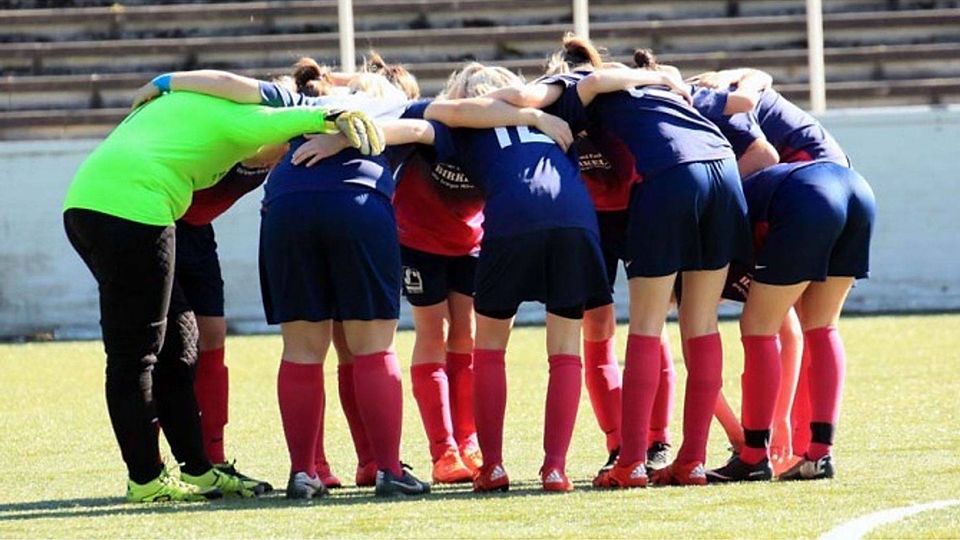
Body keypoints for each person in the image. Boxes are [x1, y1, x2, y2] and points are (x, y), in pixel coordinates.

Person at [173, 60, 573, 497]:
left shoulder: (308, 102)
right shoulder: (405, 108)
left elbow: (232, 83)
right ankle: (387, 468)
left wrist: (164, 84)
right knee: (372, 349)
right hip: (358, 205)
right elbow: (457, 114)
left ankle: (303, 473)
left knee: (302, 351)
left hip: (286, 209)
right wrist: (532, 114)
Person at [64, 71, 380, 503]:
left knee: (180, 344)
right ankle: (145, 478)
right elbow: (301, 119)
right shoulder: (243, 121)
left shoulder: (196, 104)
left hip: (89, 205)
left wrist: (163, 81)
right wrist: (345, 111)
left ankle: (197, 469)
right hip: (133, 209)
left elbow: (212, 84)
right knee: (136, 354)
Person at [375, 61, 611, 493]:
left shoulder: (460, 123)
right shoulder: (551, 115)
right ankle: (550, 467)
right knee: (562, 349)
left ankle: (491, 462)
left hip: (498, 228)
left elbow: (424, 125)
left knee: (486, 348)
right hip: (568, 219)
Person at [704, 160, 875, 482]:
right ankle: (820, 454)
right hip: (857, 189)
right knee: (823, 326)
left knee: (756, 328)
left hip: (805, 198)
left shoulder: (712, 239)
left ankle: (753, 456)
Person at [175, 152, 285, 496]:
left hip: (197, 233)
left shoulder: (294, 141)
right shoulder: (234, 127)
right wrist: (165, 91)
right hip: (156, 223)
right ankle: (158, 464)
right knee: (167, 346)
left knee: (213, 336)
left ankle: (214, 456)